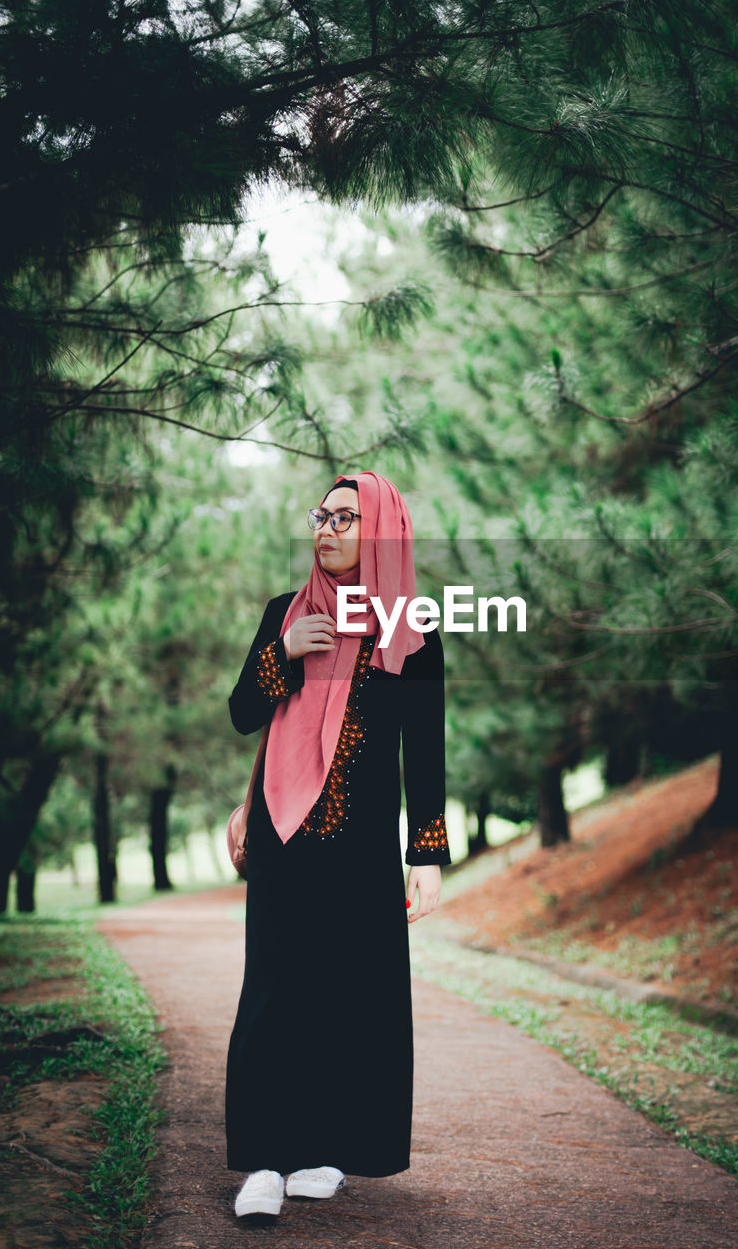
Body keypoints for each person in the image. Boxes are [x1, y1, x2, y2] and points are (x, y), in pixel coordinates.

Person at [225, 470, 450, 1218]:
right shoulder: (281, 614)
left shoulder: (410, 631)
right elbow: (242, 715)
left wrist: (427, 853)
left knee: (349, 996)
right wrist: (282, 653)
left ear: (382, 530)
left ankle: (322, 1148)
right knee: (274, 991)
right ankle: (262, 1162)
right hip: (283, 836)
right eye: (322, 515)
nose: (326, 528)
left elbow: (426, 751)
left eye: (346, 518)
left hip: (359, 850)